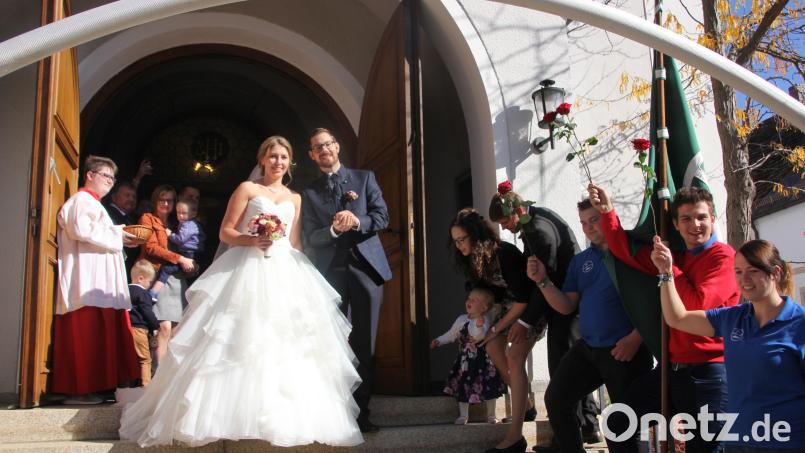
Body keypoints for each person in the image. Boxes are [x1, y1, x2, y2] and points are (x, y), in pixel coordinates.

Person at [119, 135, 363, 448]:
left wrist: (306, 273)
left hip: (285, 268)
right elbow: (226, 231)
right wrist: (252, 240)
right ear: (262, 159)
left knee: (286, 342)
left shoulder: (295, 197)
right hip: (247, 265)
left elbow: (295, 242)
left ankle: (280, 418)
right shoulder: (248, 189)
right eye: (272, 156)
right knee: (239, 336)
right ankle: (224, 416)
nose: (278, 162)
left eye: (283, 157)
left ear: (291, 162)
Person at [589, 183, 739, 453]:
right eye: (686, 219)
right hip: (672, 370)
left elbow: (696, 310)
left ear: (713, 219)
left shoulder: (724, 258)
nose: (695, 224)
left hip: (709, 374)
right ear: (676, 225)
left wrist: (669, 272)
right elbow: (626, 253)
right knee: (618, 421)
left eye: (702, 217)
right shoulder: (678, 256)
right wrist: (607, 212)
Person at [652, 239, 804, 453]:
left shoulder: (800, 324)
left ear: (775, 273)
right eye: (739, 272)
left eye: (752, 270)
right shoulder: (733, 318)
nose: (745, 279)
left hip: (786, 443)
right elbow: (677, 318)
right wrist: (666, 272)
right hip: (738, 442)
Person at [526, 199, 653, 453]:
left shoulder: (632, 252)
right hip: (589, 348)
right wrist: (542, 281)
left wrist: (636, 338)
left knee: (624, 425)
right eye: (584, 223)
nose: (588, 228)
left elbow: (654, 298)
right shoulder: (581, 261)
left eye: (594, 220)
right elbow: (566, 305)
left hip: (624, 349)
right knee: (556, 400)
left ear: (607, 216)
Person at [488, 184, 602, 451]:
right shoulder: (535, 220)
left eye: (504, 220)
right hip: (567, 301)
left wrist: (525, 321)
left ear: (516, 211)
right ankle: (587, 427)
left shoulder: (537, 230)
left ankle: (566, 439)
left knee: (562, 369)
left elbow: (543, 281)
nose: (504, 228)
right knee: (574, 364)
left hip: (566, 302)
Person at [301, 128, 392, 433]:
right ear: (312, 155)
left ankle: (361, 412)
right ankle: (335, 411)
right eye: (317, 147)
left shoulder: (364, 178)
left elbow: (382, 218)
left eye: (328, 144)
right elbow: (310, 236)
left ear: (337, 147)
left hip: (367, 272)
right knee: (335, 345)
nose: (324, 149)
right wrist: (334, 231)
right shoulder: (309, 193)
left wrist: (358, 221)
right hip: (331, 277)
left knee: (364, 344)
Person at [53, 155, 142, 405]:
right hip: (86, 277)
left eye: (113, 179)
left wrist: (120, 234)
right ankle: (81, 389)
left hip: (99, 281)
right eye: (106, 176)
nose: (110, 182)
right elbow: (81, 230)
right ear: (90, 175)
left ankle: (98, 387)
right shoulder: (82, 200)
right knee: (87, 335)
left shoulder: (94, 204)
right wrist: (118, 236)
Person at [448, 208, 537, 453]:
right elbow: (488, 297)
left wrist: (496, 327)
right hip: (506, 311)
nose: (458, 246)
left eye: (461, 240)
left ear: (475, 235)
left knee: (515, 357)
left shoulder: (504, 254)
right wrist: (483, 326)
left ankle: (515, 437)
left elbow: (523, 300)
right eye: (454, 241)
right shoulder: (473, 261)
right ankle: (526, 405)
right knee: (493, 348)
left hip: (528, 311)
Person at [431, 285, 504, 425]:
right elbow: (452, 334)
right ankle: (463, 415)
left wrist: (478, 325)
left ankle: (491, 415)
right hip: (465, 362)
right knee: (462, 385)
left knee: (488, 385)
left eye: (474, 300)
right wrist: (439, 340)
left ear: (483, 308)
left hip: (483, 361)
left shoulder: (483, 320)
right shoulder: (461, 319)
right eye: (468, 298)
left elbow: (479, 335)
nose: (468, 301)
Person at [138, 185, 195, 364]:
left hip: (177, 279)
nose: (165, 203)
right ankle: (157, 372)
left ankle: (168, 376)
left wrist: (193, 265)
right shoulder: (148, 218)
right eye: (161, 199)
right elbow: (151, 247)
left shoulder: (179, 222)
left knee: (176, 328)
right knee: (163, 327)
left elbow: (191, 246)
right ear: (155, 200)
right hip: (155, 274)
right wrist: (179, 258)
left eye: (169, 200)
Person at [148, 197, 206, 300]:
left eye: (184, 213)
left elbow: (180, 239)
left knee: (166, 270)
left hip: (189, 253)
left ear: (193, 214)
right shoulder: (188, 223)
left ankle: (153, 292)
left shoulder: (188, 225)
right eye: (178, 213)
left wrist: (170, 235)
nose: (180, 216)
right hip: (190, 253)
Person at [128, 260, 159, 387]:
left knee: (129, 358)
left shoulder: (124, 290)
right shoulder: (143, 294)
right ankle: (146, 384)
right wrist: (155, 325)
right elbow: (147, 312)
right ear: (141, 278)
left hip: (126, 327)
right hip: (139, 329)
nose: (150, 285)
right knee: (145, 359)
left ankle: (128, 384)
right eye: (150, 282)